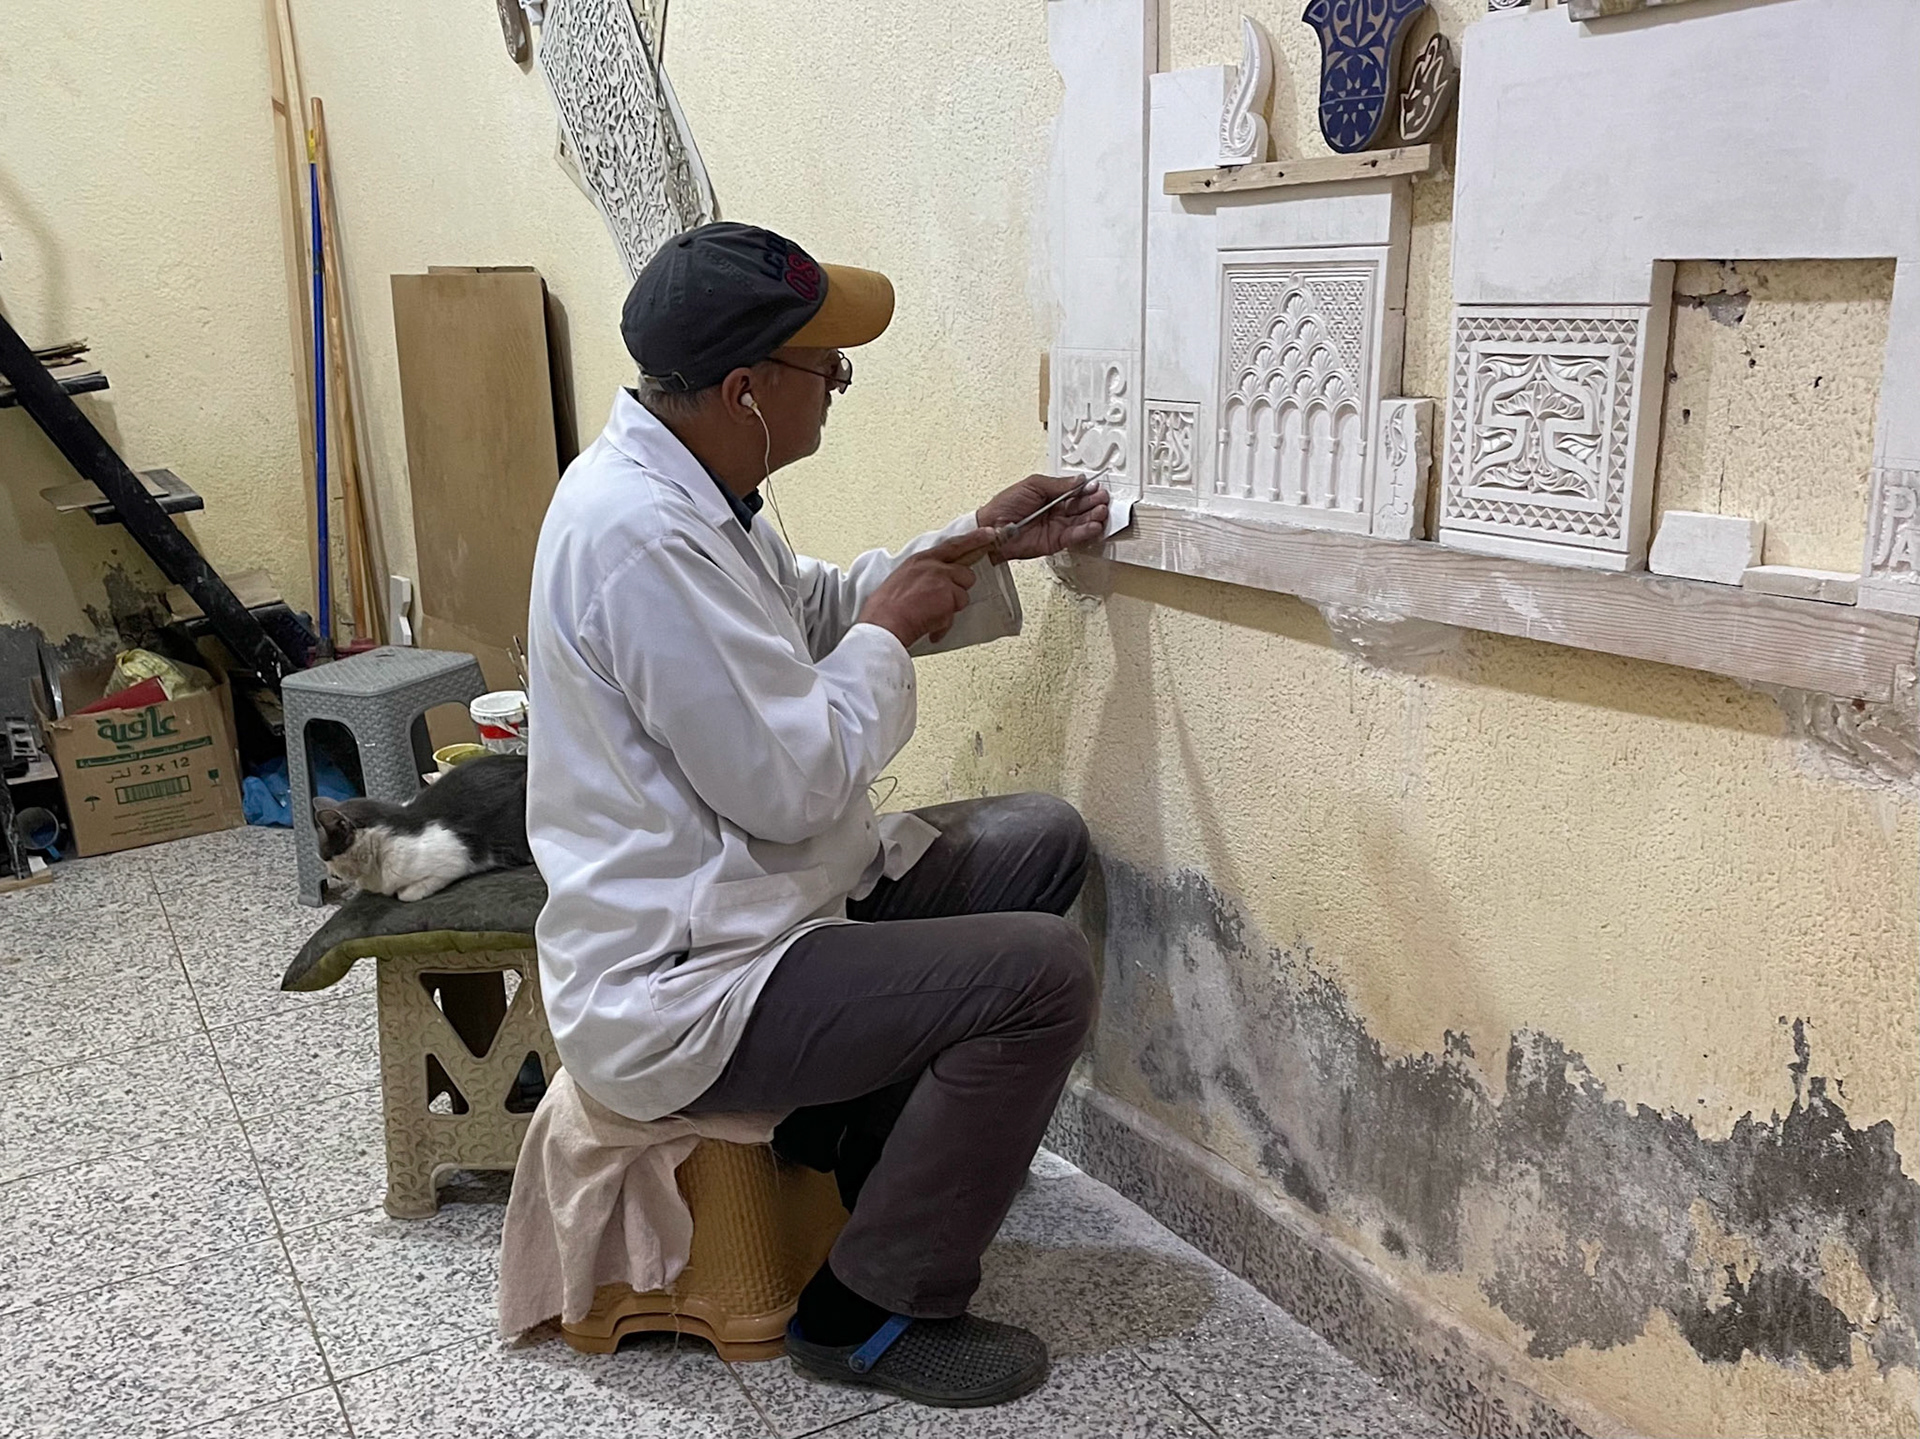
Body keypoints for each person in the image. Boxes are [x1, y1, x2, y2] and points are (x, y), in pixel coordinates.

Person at [525, 221, 1111, 1407]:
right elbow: (790, 782)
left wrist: (975, 542)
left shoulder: (700, 492)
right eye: (829, 369)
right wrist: (891, 631)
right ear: (746, 391)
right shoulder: (638, 536)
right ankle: (871, 1312)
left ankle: (859, 1149)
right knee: (1044, 973)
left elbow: (821, 608)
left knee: (1039, 837)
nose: (839, 391)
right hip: (684, 979)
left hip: (758, 905)